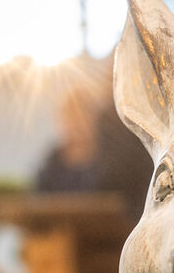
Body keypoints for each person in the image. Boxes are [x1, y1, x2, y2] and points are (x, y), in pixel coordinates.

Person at [34, 67, 154, 216]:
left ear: (94, 117)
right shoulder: (50, 164)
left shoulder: (115, 160)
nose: (75, 123)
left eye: (81, 114)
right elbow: (38, 205)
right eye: (70, 115)